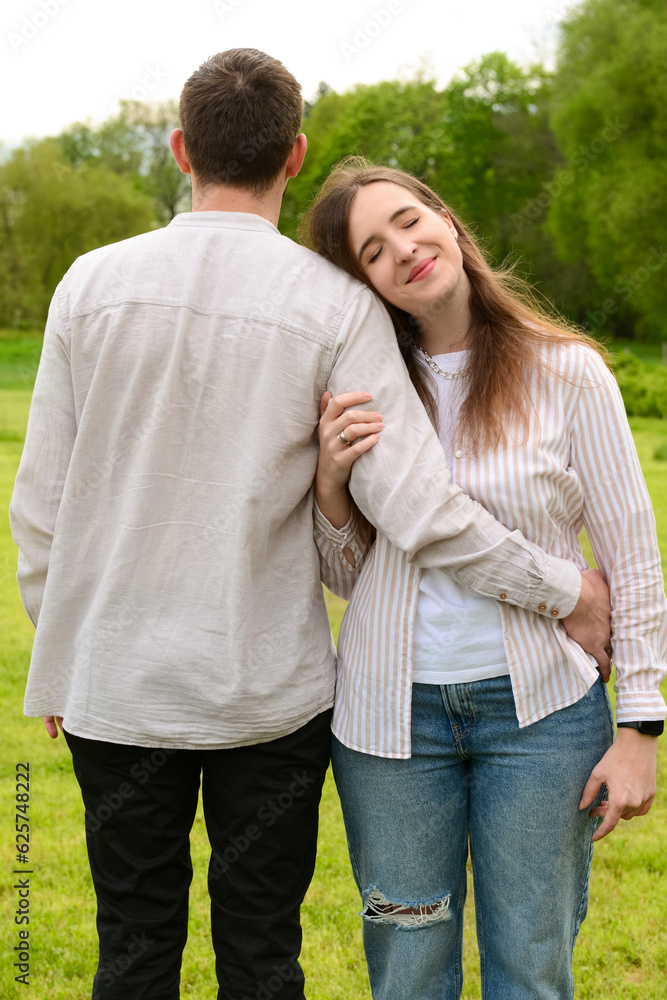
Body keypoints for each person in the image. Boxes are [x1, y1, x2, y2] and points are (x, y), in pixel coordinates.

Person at [10, 51, 610, 1000]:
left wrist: (63, 653)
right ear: (294, 158)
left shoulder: (88, 285)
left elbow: (40, 504)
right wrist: (565, 587)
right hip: (268, 701)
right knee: (260, 950)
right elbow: (415, 504)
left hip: (116, 689)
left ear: (180, 150)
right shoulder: (333, 303)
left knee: (132, 945)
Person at [302, 160, 667, 1000]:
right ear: (364, 286)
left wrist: (641, 727)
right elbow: (346, 577)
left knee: (530, 970)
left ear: (446, 218)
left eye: (407, 219)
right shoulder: (361, 398)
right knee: (406, 966)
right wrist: (328, 484)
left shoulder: (567, 372)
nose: (402, 249)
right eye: (370, 251)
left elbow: (633, 559)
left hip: (539, 720)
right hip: (390, 731)